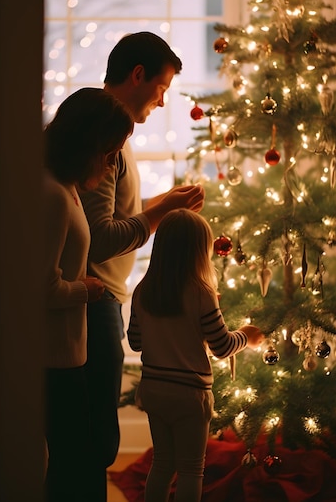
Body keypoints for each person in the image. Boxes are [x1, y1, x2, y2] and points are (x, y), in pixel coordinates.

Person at [80, 32, 205, 499]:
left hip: (103, 302)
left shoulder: (116, 133)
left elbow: (112, 216)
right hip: (94, 303)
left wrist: (165, 205)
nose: (162, 99)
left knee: (95, 436)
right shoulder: (103, 133)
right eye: (162, 87)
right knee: (94, 439)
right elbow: (100, 237)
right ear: (138, 76)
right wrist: (159, 211)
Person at [127, 208, 264, 502]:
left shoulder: (142, 291)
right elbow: (222, 346)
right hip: (190, 395)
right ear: (198, 252)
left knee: (162, 464)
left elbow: (135, 342)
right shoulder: (201, 293)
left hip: (154, 390)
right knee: (191, 469)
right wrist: (248, 337)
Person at [43, 87, 133, 502]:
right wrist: (86, 289)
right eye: (110, 151)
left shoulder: (69, 187)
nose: (114, 161)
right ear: (88, 143)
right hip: (53, 356)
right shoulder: (52, 196)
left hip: (68, 354)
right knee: (71, 467)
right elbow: (38, 288)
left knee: (78, 459)